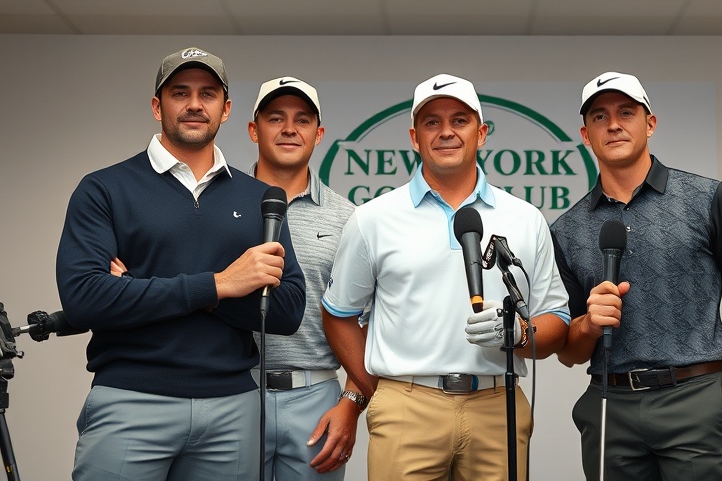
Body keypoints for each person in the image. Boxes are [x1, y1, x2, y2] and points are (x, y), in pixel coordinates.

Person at [56, 47, 306, 481]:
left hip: (233, 408)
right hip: (131, 399)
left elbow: (286, 311)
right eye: (180, 92)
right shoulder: (104, 189)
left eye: (208, 93)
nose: (194, 104)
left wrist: (144, 286)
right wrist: (222, 284)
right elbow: (85, 299)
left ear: (225, 110)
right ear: (158, 106)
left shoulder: (258, 198)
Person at [320, 73, 570, 481]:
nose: (446, 132)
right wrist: (375, 388)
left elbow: (557, 320)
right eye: (432, 122)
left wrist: (521, 334)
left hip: (497, 404)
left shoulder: (525, 218)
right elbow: (338, 314)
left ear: (482, 133)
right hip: (407, 403)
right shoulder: (373, 218)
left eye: (460, 120)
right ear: (415, 137)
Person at [551, 71, 722, 480]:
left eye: (626, 112)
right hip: (610, 406)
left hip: (694, 400)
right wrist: (589, 323)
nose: (614, 124)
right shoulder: (567, 229)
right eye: (600, 117)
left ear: (650, 124)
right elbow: (569, 352)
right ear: (586, 135)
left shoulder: (708, 199)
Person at [247, 76, 362, 479]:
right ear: (253, 129)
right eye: (276, 118)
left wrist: (351, 401)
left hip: (317, 396)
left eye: (302, 120)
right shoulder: (219, 204)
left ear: (319, 133)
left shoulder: (349, 218)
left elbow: (367, 322)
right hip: (232, 392)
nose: (290, 129)